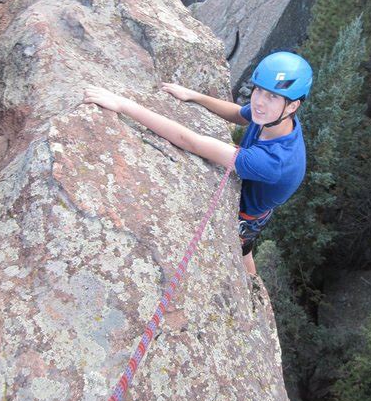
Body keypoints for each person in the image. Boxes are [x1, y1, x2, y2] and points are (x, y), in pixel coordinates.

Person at [83, 51, 312, 275]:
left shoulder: (273, 161)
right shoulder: (276, 118)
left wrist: (123, 105)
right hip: (260, 198)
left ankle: (252, 286)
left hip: (248, 213)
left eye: (272, 96)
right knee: (247, 248)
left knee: (244, 249)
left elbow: (191, 142)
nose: (260, 102)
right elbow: (240, 115)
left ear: (292, 106)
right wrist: (194, 96)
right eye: (259, 90)